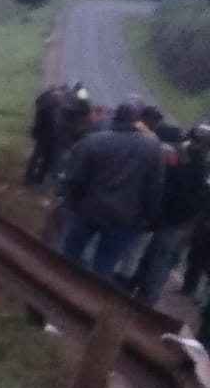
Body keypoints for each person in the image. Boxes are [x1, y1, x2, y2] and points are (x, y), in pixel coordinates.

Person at [60, 101, 165, 281]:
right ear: (136, 121)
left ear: (116, 118)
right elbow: (154, 187)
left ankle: (57, 286)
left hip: (90, 209)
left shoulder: (94, 141)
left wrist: (75, 203)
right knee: (104, 266)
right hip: (124, 218)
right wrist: (150, 217)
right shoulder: (153, 147)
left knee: (70, 255)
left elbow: (76, 178)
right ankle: (91, 301)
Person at [129, 125, 210, 307]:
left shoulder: (200, 168)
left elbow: (200, 199)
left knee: (161, 259)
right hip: (169, 215)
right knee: (151, 254)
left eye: (198, 142)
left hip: (178, 221)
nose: (192, 144)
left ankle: (147, 299)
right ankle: (136, 283)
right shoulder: (186, 160)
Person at [25, 84, 67, 185]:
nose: (61, 98)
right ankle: (33, 178)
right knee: (41, 157)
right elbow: (48, 123)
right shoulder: (47, 106)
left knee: (43, 157)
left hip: (46, 135)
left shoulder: (46, 103)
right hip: (45, 136)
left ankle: (35, 178)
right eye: (60, 96)